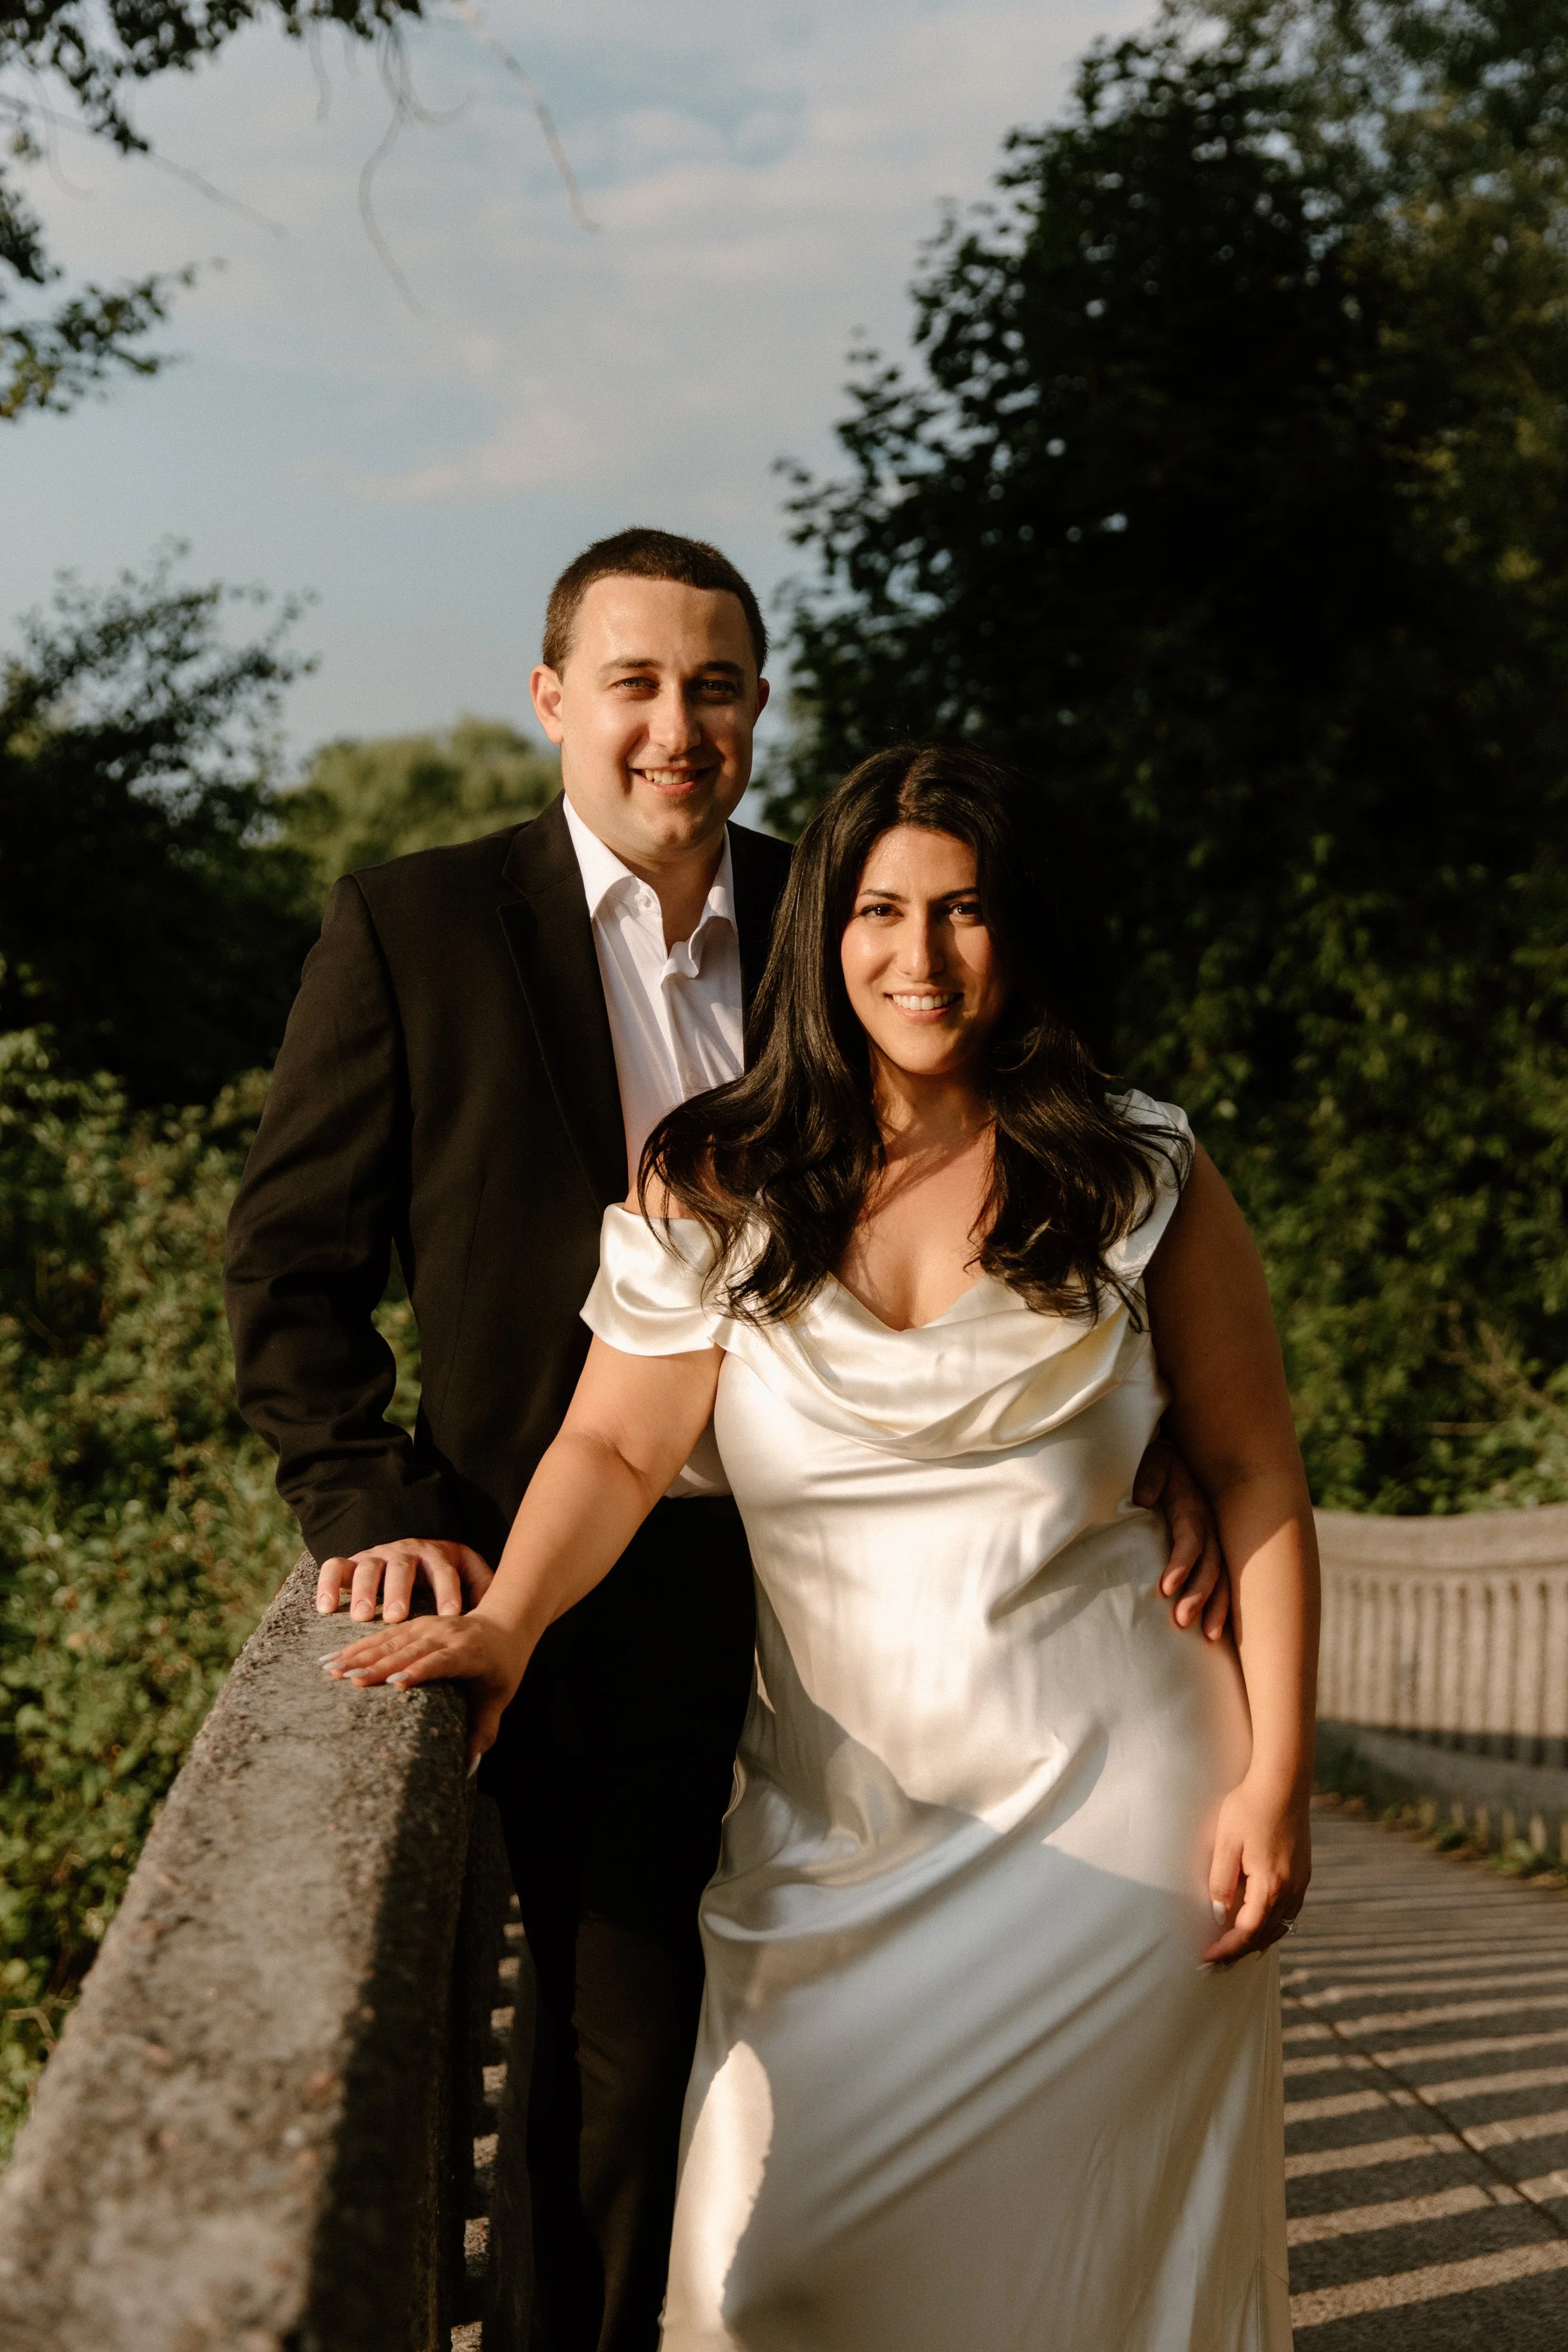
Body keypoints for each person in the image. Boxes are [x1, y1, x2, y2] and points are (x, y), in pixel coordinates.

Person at [229, 547, 1232, 2352]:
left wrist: (1132, 1431)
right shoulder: (421, 926)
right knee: (616, 2063)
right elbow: (288, 1270)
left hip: (841, 1597)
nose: (674, 727)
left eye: (716, 687)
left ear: (761, 711)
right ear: (553, 698)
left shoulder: (845, 912)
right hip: (572, 1570)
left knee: (794, 2044)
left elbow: (1061, 1176)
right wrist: (379, 1511)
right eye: (633, 682)